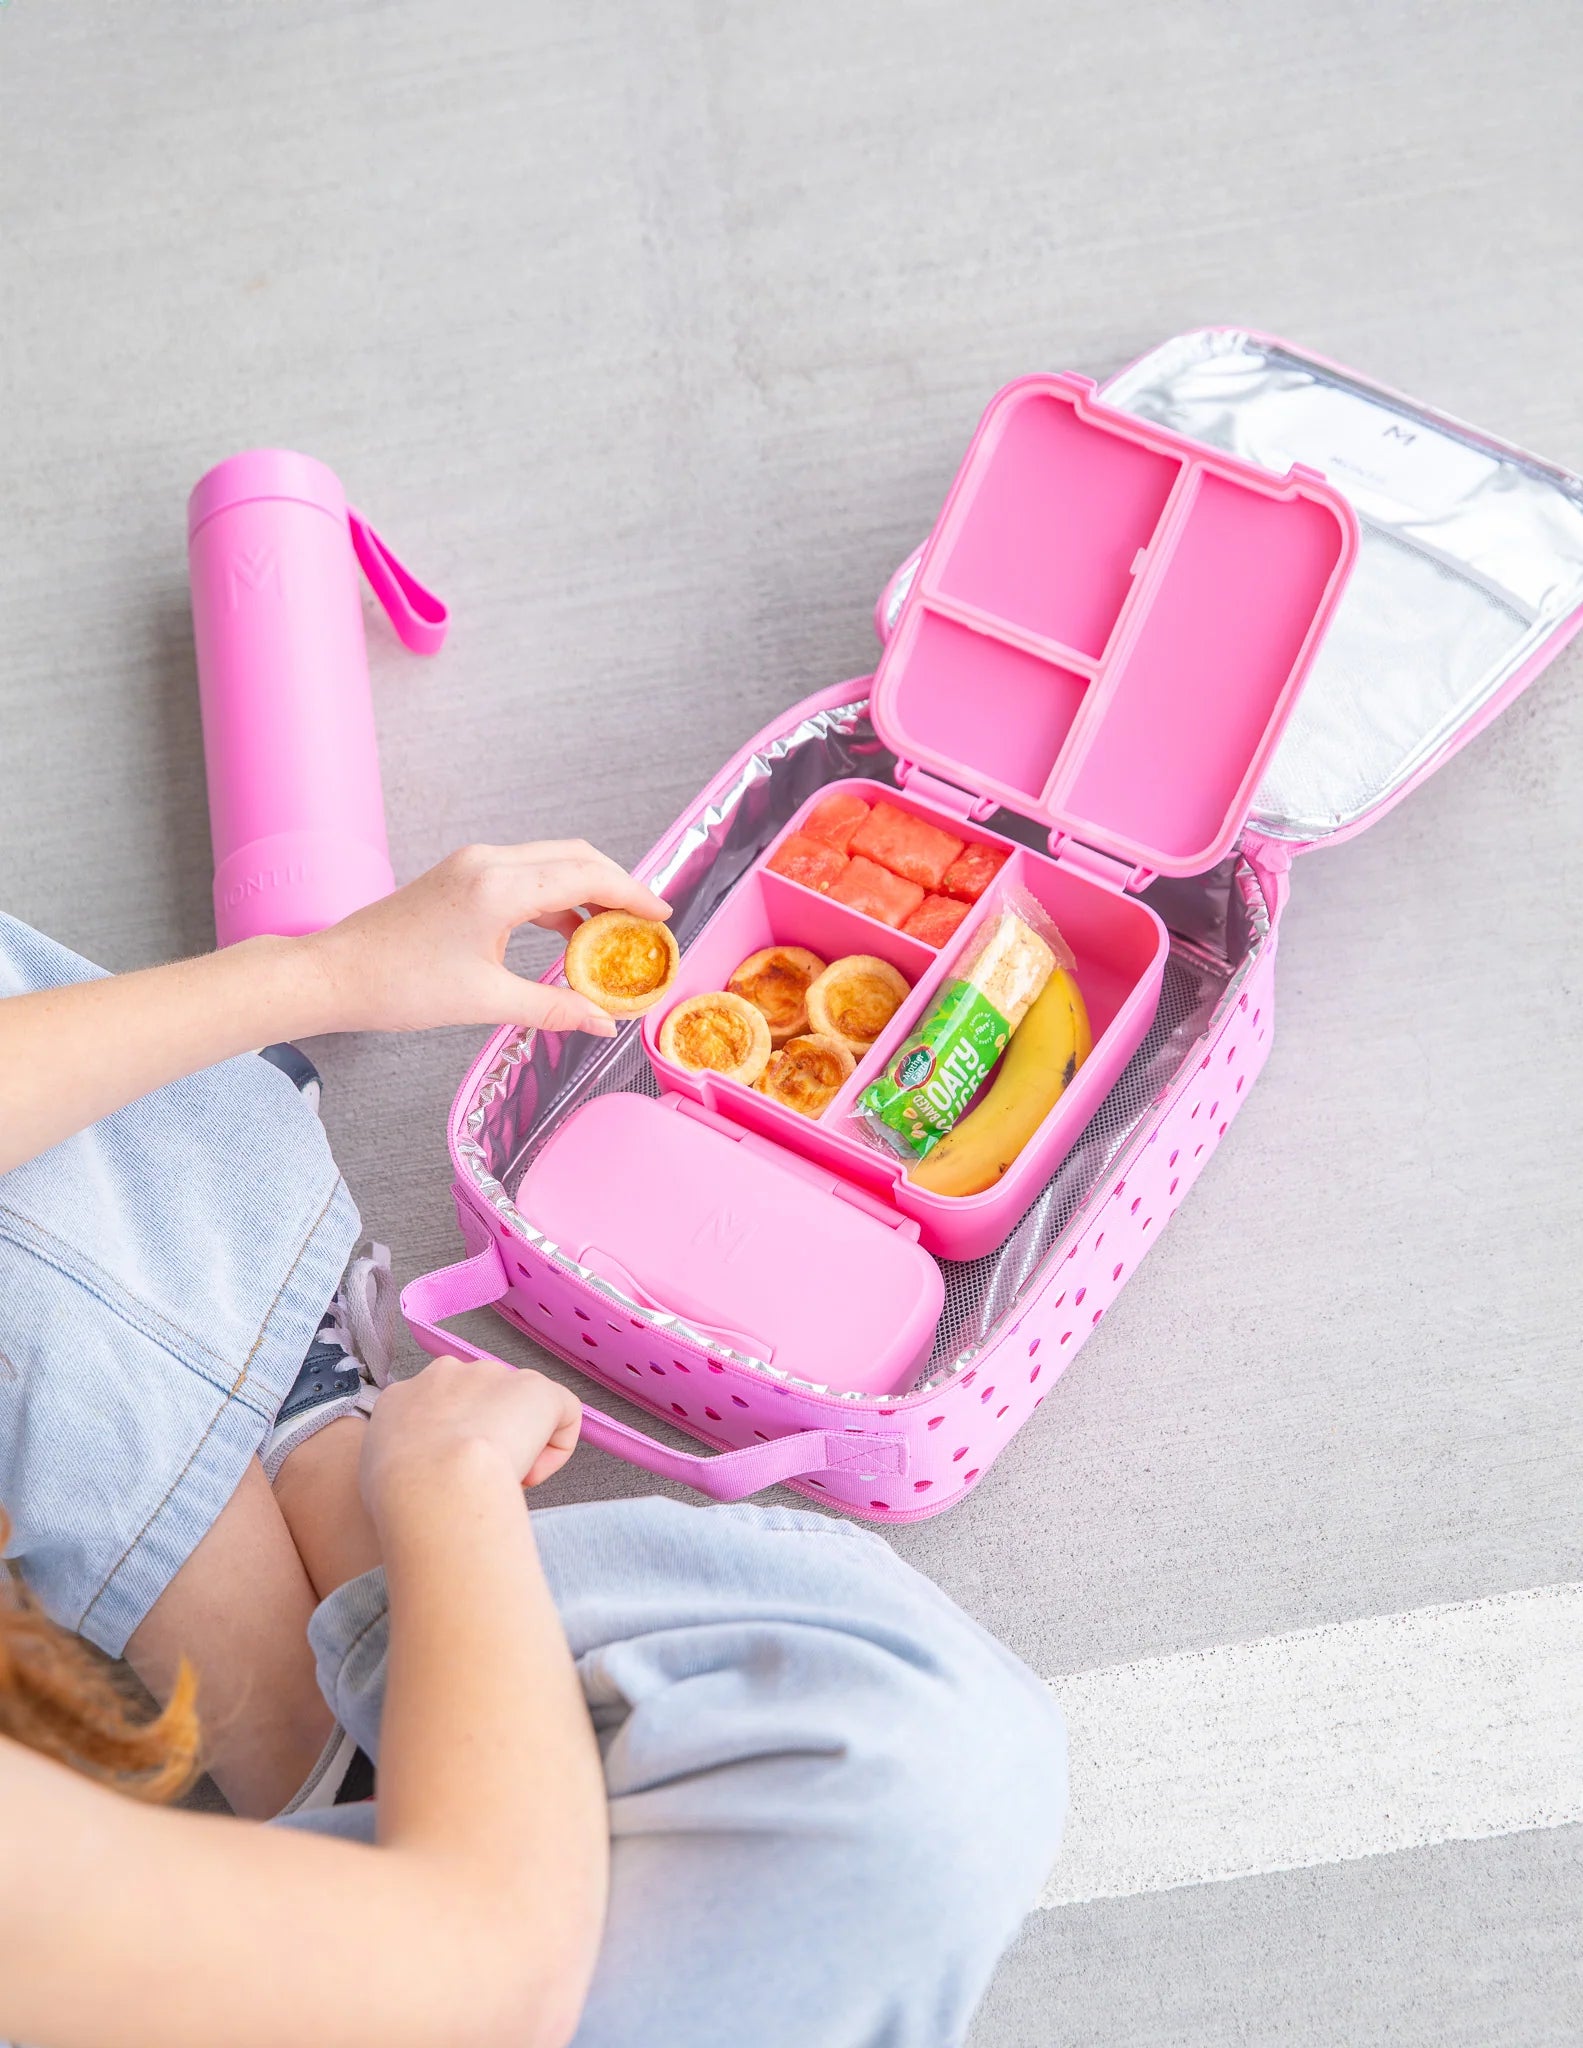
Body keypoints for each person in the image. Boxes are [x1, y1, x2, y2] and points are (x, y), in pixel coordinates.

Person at [0, 841, 1065, 2048]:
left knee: (934, 1771)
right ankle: (294, 1453)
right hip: (480, 1967)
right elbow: (490, 1972)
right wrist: (442, 1490)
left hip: (324, 1949)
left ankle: (317, 1699)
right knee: (933, 1754)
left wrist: (333, 969)